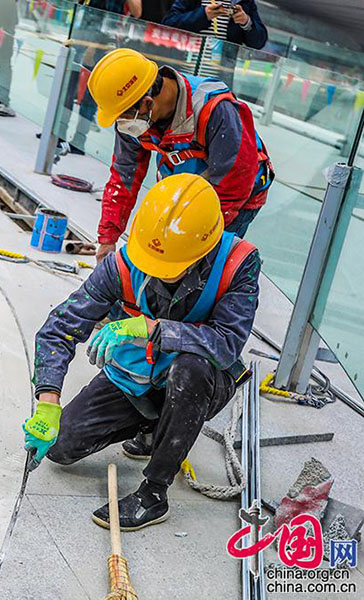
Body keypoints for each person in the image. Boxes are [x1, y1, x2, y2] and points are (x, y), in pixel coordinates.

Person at [23, 173, 260, 530]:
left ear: (204, 250)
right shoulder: (126, 261)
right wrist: (48, 401)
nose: (155, 272)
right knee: (62, 446)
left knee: (191, 369)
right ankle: (153, 426)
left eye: (168, 269)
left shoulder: (238, 263)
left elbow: (226, 344)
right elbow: (60, 327)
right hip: (137, 378)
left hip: (198, 379)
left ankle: (153, 494)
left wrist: (153, 328)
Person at [87, 48, 273, 264]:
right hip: (183, 184)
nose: (123, 125)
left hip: (236, 195)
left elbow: (233, 187)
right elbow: (124, 177)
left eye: (124, 116)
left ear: (148, 103)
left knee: (201, 265)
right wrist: (107, 238)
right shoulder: (135, 117)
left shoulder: (216, 110)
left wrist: (191, 237)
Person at [57, 0, 143, 155]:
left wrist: (94, 46)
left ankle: (78, 140)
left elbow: (117, 18)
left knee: (90, 94)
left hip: (100, 41)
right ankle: (59, 132)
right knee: (68, 87)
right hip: (82, 33)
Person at [163, 0, 268, 84]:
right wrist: (203, 15)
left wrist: (246, 22)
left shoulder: (244, 2)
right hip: (182, 76)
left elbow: (259, 42)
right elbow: (168, 24)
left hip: (218, 85)